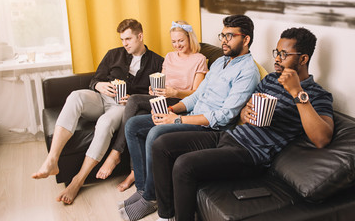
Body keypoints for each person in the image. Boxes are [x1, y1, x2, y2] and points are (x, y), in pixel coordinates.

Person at [151, 27, 334, 221]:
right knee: (161, 145)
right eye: (276, 53)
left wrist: (298, 93)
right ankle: (166, 216)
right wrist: (245, 113)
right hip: (230, 136)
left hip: (252, 154)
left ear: (303, 59)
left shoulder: (317, 95)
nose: (277, 59)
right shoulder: (271, 79)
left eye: (284, 54)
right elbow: (247, 107)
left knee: (184, 165)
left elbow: (321, 138)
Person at [119, 15, 261, 221]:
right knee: (133, 125)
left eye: (229, 36)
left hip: (211, 128)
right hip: (192, 115)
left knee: (156, 133)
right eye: (223, 35)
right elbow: (196, 96)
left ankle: (151, 198)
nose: (223, 40)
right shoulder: (220, 61)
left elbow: (224, 115)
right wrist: (172, 111)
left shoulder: (248, 71)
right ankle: (143, 189)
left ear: (246, 39)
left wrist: (177, 121)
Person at [31, 19, 164, 205]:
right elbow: (94, 79)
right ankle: (52, 159)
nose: (124, 43)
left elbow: (155, 95)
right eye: (122, 39)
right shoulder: (113, 54)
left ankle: (78, 180)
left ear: (140, 36)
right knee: (75, 96)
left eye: (128, 39)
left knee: (105, 123)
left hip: (122, 107)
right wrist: (99, 85)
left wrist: (134, 97)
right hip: (100, 99)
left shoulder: (158, 62)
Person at [95, 20, 208, 192]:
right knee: (137, 113)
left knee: (133, 101)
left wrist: (175, 92)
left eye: (181, 41)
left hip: (179, 102)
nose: (177, 45)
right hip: (162, 98)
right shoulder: (169, 57)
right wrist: (153, 90)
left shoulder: (199, 59)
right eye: (174, 41)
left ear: (189, 38)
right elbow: (161, 80)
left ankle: (116, 153)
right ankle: (136, 174)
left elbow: (196, 93)